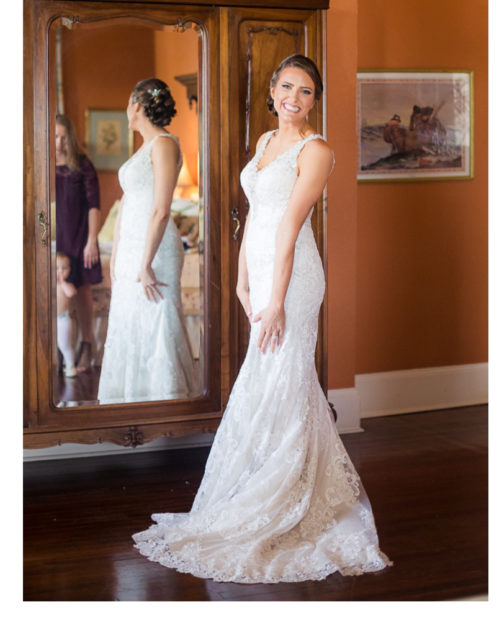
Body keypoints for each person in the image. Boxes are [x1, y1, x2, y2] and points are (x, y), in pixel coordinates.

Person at [133, 54, 390, 583]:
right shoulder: (264, 144)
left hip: (294, 280)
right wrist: (242, 280)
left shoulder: (316, 150)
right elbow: (254, 217)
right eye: (288, 88)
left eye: (307, 92)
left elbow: (291, 227)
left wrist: (274, 298)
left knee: (283, 376)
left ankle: (289, 494)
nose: (295, 99)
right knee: (268, 379)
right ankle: (266, 480)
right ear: (272, 92)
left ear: (315, 100)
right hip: (263, 272)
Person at [97, 79, 199, 404]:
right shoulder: (142, 147)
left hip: (154, 251)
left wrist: (144, 262)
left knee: (157, 320)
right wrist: (116, 253)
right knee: (128, 321)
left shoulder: (165, 144)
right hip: (129, 251)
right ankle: (129, 403)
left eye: (128, 105)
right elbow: (129, 202)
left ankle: (165, 404)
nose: (127, 112)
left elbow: (161, 210)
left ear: (137, 106)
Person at [54, 114, 101, 372]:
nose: (58, 143)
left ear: (70, 138)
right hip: (51, 240)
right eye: (54, 136)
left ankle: (87, 344)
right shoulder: (39, 161)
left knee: (82, 290)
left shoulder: (82, 164)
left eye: (63, 137)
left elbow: (95, 205)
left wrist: (92, 241)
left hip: (78, 235)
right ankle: (58, 351)